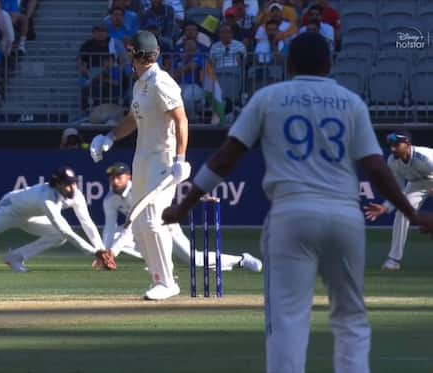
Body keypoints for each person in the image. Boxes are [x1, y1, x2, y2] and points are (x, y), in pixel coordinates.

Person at [161, 33, 433, 373]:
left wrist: (184, 206)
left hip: (291, 214)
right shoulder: (350, 101)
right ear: (329, 64)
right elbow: (376, 168)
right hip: (344, 215)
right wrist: (413, 214)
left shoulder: (268, 97)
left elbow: (224, 159)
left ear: (288, 65)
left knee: (286, 320)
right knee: (351, 319)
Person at [89, 31, 191, 301]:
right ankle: (160, 279)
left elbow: (181, 120)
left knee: (152, 217)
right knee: (139, 224)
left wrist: (180, 159)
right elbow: (133, 118)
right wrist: (109, 137)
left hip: (163, 159)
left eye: (129, 51)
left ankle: (167, 282)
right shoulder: (140, 84)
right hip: (142, 158)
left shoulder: (161, 82)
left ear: (135, 53)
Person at [100, 161, 263, 271]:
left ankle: (241, 259)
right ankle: (159, 270)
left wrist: (113, 251)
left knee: (195, 260)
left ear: (129, 177)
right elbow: (109, 227)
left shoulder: (138, 190)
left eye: (118, 177)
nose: (114, 181)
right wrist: (106, 252)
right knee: (116, 235)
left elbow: (130, 228)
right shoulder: (109, 199)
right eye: (111, 178)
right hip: (144, 228)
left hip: (166, 224)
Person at [364, 131, 433, 271]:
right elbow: (398, 190)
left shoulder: (425, 157)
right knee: (403, 212)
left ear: (408, 144)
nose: (393, 149)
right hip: (417, 185)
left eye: (397, 145)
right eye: (391, 145)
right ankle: (393, 260)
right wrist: (385, 207)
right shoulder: (392, 161)